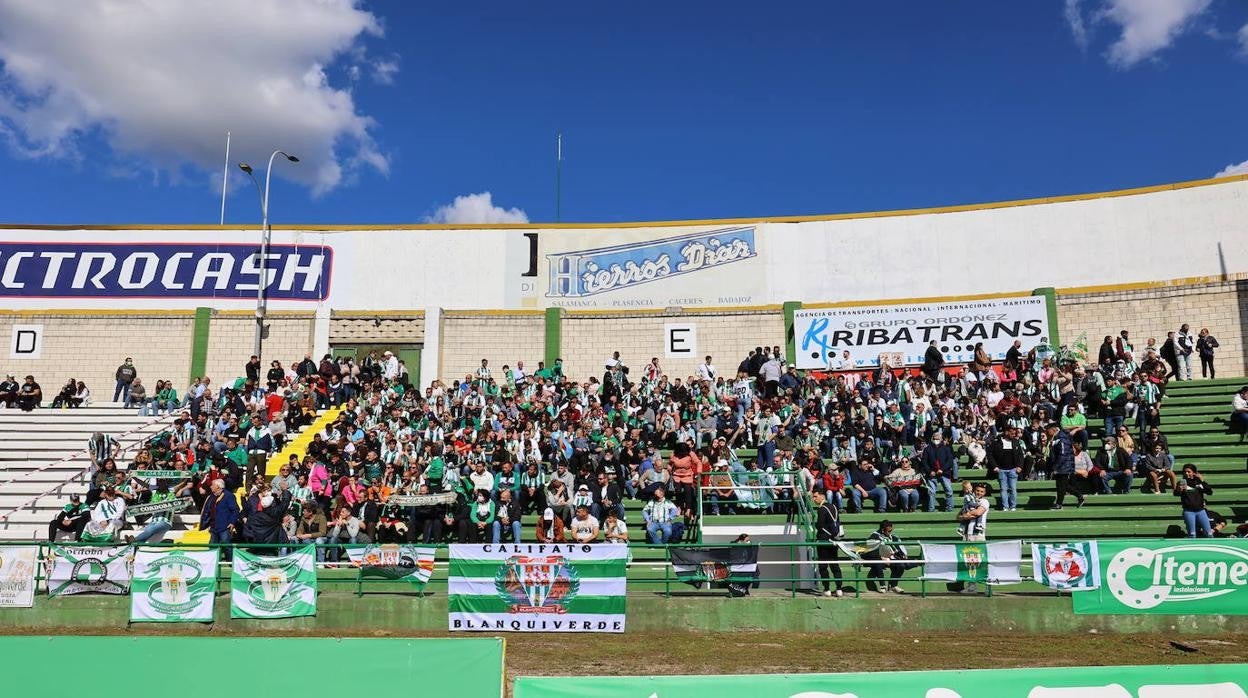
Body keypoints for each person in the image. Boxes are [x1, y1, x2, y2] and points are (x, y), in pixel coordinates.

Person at [951, 482, 990, 594]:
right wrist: (965, 515)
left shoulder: (984, 501)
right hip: (967, 534)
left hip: (978, 535)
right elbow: (958, 516)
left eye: (982, 491)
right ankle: (971, 587)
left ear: (985, 493)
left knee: (981, 561)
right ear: (974, 490)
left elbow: (978, 512)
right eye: (977, 490)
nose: (979, 493)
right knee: (968, 562)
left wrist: (966, 514)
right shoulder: (969, 499)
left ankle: (988, 586)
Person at [811, 489, 844, 597]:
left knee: (823, 566)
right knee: (835, 564)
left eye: (815, 496)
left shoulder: (822, 509)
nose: (814, 499)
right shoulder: (834, 507)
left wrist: (816, 526)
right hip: (834, 540)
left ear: (822, 496)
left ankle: (827, 589)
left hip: (823, 540)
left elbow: (820, 525)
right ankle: (839, 589)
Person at [863, 520, 911, 593]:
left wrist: (902, 554)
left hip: (890, 558)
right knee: (878, 564)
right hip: (877, 558)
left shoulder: (892, 537)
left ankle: (893, 586)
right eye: (888, 531)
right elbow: (869, 551)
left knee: (901, 565)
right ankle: (883, 585)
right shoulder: (874, 536)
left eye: (891, 530)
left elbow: (897, 547)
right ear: (882, 530)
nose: (890, 533)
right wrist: (882, 557)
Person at [1046, 422, 1085, 510]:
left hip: (1064, 466)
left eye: (1048, 430)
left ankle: (1059, 504)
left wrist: (1056, 467)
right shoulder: (1057, 438)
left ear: (1054, 429)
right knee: (1063, 485)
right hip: (1062, 466)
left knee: (1061, 486)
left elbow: (1062, 455)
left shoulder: (1062, 439)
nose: (1047, 432)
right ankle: (1079, 496)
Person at [199, 478, 240, 560]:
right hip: (213, 526)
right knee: (212, 546)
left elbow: (235, 510)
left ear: (218, 487)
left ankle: (231, 562)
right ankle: (213, 563)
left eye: (212, 485)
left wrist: (232, 522)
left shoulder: (228, 496)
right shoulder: (211, 497)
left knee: (226, 545)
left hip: (224, 526)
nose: (210, 487)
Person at [987, 425, 1024, 512]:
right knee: (1003, 489)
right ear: (1006, 432)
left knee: (1013, 489)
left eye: (1014, 433)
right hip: (1001, 470)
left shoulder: (1016, 442)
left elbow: (1020, 455)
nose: (1014, 434)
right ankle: (1005, 507)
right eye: (1012, 432)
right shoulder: (996, 442)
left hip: (1013, 470)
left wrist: (1019, 466)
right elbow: (990, 454)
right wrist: (995, 466)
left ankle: (1013, 506)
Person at [1175, 464, 1213, 538]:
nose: (1187, 474)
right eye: (1185, 472)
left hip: (1201, 511)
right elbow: (1176, 493)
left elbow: (1209, 492)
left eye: (1189, 472)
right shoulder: (1182, 483)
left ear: (1194, 472)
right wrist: (1179, 490)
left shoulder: (1199, 482)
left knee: (1209, 533)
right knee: (1192, 534)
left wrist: (1202, 480)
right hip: (1189, 511)